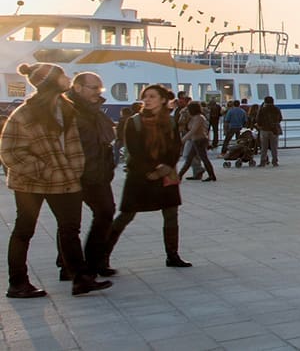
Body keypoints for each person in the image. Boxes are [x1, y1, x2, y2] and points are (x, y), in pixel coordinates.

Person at [1, 63, 108, 298]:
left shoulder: (65, 107)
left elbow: (74, 146)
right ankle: (18, 283)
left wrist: (73, 170)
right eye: (61, 76)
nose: (67, 78)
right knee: (24, 230)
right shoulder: (24, 114)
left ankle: (80, 278)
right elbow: (10, 152)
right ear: (50, 81)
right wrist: (44, 169)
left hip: (64, 180)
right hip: (30, 183)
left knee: (70, 228)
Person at [105, 85, 190, 270]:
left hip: (166, 174)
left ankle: (172, 255)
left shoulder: (171, 121)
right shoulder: (134, 122)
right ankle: (103, 257)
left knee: (171, 215)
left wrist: (165, 167)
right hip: (140, 176)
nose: (147, 100)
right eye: (145, 97)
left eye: (152, 96)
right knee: (126, 215)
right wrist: (153, 168)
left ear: (162, 100)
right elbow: (134, 150)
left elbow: (176, 147)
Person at [64, 72, 116, 282]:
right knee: (70, 225)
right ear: (77, 88)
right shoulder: (69, 111)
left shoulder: (94, 112)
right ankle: (79, 270)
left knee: (104, 213)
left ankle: (90, 266)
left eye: (100, 88)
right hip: (77, 175)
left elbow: (106, 140)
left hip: (97, 175)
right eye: (93, 88)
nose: (98, 92)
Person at [178, 101, 216, 181]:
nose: (187, 111)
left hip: (200, 140)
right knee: (189, 158)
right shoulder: (194, 117)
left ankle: (211, 175)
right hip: (196, 140)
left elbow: (193, 131)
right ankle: (180, 176)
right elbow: (181, 122)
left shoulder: (199, 118)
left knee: (203, 158)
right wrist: (183, 112)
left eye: (189, 109)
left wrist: (182, 140)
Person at [256, 96, 282, 166]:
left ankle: (263, 162)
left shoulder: (262, 109)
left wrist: (260, 125)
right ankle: (275, 161)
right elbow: (280, 118)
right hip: (274, 130)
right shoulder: (276, 109)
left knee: (264, 147)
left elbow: (258, 120)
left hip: (264, 130)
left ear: (265, 101)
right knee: (274, 147)